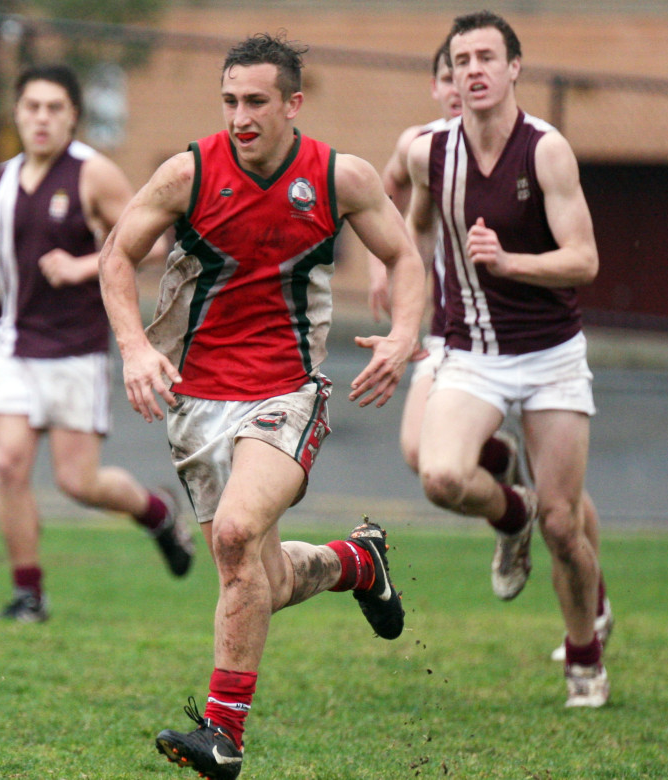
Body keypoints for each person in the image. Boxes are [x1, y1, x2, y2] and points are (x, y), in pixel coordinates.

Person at [99, 33, 426, 778]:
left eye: (255, 102)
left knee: (236, 532)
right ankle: (356, 562)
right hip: (195, 401)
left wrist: (403, 336)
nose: (240, 117)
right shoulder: (188, 173)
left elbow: (403, 257)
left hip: (286, 393)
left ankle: (223, 733)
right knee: (260, 579)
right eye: (229, 101)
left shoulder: (340, 177)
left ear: (292, 104)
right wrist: (135, 349)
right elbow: (117, 254)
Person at [369, 43, 613, 664]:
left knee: (562, 508)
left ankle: (592, 603)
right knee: (423, 455)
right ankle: (507, 491)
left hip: (539, 345)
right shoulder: (423, 146)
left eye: (482, 64)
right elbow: (390, 196)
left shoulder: (535, 147)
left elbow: (583, 257)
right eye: (453, 72)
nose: (465, 82)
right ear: (438, 86)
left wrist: (508, 261)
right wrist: (385, 265)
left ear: (511, 71)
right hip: (455, 334)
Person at [0, 64, 194, 623]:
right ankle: (28, 593)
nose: (42, 118)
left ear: (73, 116)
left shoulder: (93, 174)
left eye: (54, 108)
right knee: (8, 465)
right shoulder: (1, 180)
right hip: (12, 346)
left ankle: (157, 513)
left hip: (76, 349)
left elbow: (150, 245)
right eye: (32, 107)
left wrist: (79, 266)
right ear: (17, 113)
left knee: (79, 483)